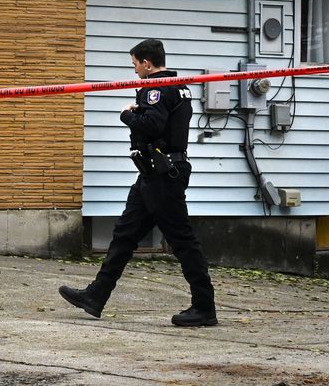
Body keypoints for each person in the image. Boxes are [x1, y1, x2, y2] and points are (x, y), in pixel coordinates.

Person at [59, 38, 216, 327]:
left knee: (182, 241)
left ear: (147, 63)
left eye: (135, 65)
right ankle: (96, 296)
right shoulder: (179, 87)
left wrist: (128, 115)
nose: (135, 72)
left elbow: (153, 126)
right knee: (125, 235)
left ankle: (204, 306)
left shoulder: (155, 88)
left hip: (163, 175)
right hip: (153, 173)